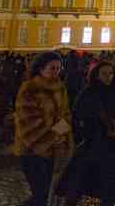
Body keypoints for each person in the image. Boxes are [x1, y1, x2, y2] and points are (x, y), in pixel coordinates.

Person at [55, 61, 115, 206]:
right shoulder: (88, 92)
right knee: (77, 181)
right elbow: (74, 115)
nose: (108, 77)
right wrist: (57, 133)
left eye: (111, 73)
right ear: (96, 75)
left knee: (108, 185)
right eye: (104, 74)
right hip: (90, 143)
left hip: (111, 145)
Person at [14, 52, 73, 206]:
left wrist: (62, 133)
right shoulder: (30, 89)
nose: (56, 72)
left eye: (58, 68)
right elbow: (28, 122)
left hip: (54, 151)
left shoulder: (60, 88)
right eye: (52, 68)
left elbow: (66, 115)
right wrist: (54, 135)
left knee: (46, 195)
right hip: (32, 150)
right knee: (41, 194)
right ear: (41, 69)